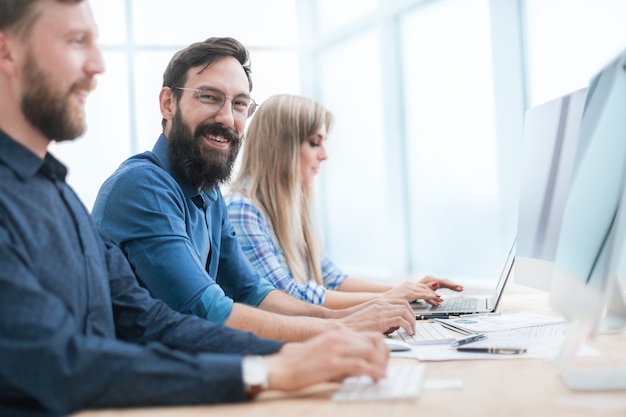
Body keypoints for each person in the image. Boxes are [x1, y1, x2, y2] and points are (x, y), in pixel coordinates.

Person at [0, 1, 389, 415]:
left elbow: (151, 319)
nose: (98, 65)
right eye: (77, 42)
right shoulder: (134, 187)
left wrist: (289, 354)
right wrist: (265, 370)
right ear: (7, 52)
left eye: (240, 104)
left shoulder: (58, 195)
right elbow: (66, 366)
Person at [91, 36, 417, 341]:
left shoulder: (209, 193)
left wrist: (348, 315)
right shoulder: (142, 186)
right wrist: (340, 326)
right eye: (209, 97)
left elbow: (253, 292)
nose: (227, 118)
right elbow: (208, 311)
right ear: (168, 103)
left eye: (240, 104)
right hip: (133, 386)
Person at [225, 94, 463, 310]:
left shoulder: (289, 212)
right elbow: (288, 297)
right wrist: (392, 297)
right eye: (314, 142)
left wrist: (409, 290)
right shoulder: (242, 210)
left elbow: (334, 280)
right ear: (281, 147)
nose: (325, 154)